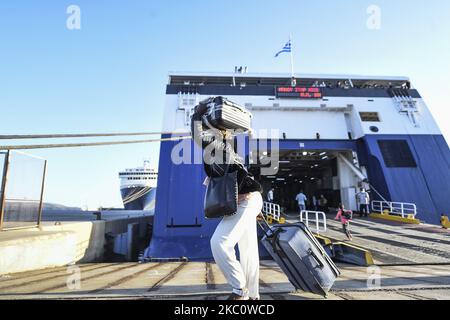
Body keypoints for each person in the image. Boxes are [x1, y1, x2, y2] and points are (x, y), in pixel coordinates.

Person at [191, 98, 263, 301]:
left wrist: (197, 113)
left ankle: (240, 290)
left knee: (220, 243)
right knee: (248, 251)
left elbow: (197, 135)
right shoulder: (224, 149)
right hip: (250, 199)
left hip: (247, 200)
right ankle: (253, 297)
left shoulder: (219, 147)